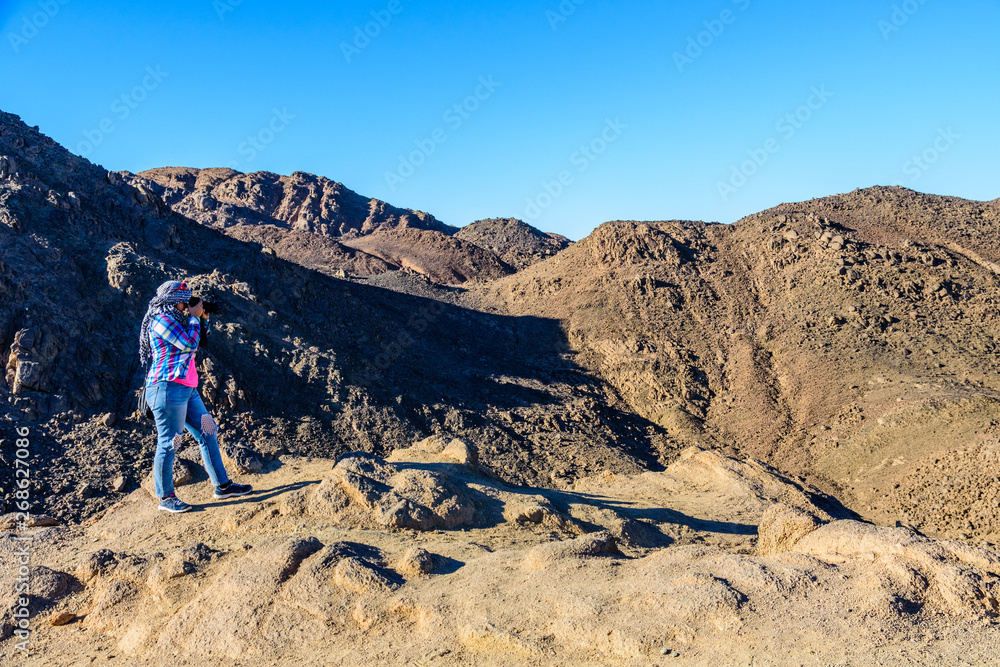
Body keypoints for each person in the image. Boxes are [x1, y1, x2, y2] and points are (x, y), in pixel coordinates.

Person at [138, 280, 252, 513]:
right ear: (172, 301)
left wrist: (203, 317)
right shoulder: (161, 320)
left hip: (187, 389)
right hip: (167, 389)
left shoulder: (179, 319)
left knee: (208, 431)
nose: (185, 304)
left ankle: (223, 486)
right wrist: (193, 316)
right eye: (183, 301)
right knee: (170, 442)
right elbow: (188, 343)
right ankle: (166, 497)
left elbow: (200, 339)